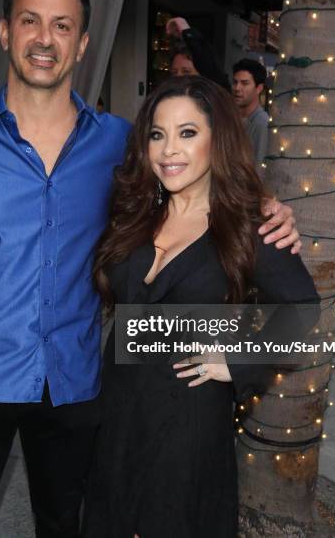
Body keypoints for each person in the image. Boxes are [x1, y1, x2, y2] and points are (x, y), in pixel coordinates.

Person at [0, 0, 300, 538]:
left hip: (77, 382)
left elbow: (193, 171)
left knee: (66, 524)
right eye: (30, 21)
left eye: (63, 26)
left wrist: (264, 208)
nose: (45, 39)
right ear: (5, 31)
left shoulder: (122, 145)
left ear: (82, 43)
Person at [83, 75, 319, 537]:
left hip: (186, 424)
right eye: (158, 134)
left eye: (187, 133)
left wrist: (237, 358)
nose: (169, 149)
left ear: (219, 140)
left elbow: (303, 307)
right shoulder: (136, 211)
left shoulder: (249, 226)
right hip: (117, 412)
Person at [166, 16, 231, 90]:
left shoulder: (210, 98)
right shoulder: (167, 98)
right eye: (174, 72)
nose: (179, 76)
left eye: (186, 72)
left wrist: (186, 31)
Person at [232, 58, 270, 168]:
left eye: (245, 83)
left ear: (259, 88)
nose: (237, 88)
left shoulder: (262, 123)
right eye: (235, 82)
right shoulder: (232, 118)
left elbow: (259, 169)